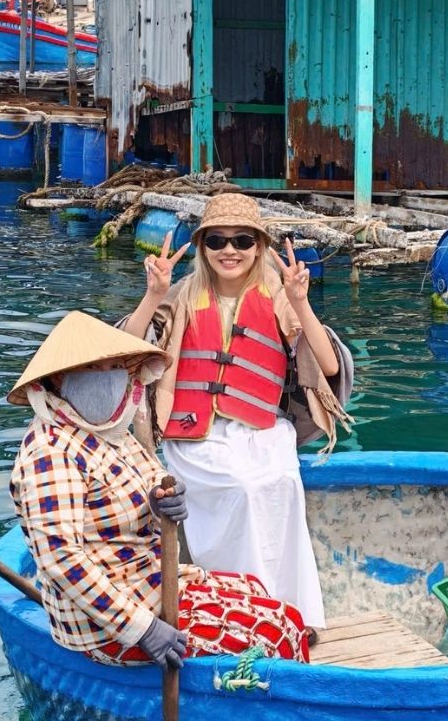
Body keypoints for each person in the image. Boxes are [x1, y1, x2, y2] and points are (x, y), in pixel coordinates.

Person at [8, 310, 309, 668]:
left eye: (113, 368)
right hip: (106, 625)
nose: (106, 380)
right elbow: (61, 560)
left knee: (269, 601)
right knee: (272, 636)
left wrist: (159, 499)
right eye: (90, 371)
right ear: (58, 381)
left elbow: (153, 475)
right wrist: (141, 628)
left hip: (149, 581)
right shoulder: (50, 451)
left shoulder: (109, 431)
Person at [121, 192, 352, 635]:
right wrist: (152, 296)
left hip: (262, 429)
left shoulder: (280, 296)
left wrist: (301, 301)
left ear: (259, 247)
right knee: (242, 488)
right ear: (203, 246)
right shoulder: (181, 295)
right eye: (217, 241)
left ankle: (293, 613)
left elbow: (329, 366)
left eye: (243, 240)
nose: (230, 250)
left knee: (282, 482)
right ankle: (248, 614)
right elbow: (127, 353)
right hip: (195, 435)